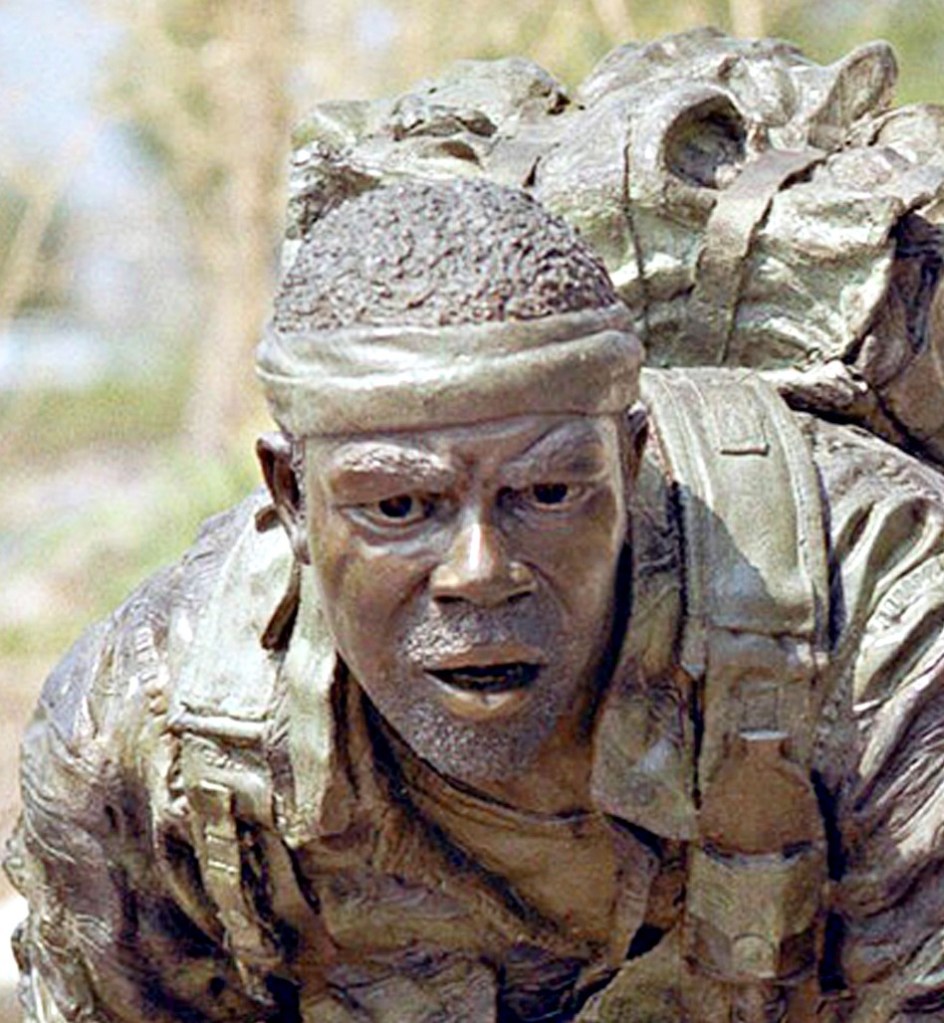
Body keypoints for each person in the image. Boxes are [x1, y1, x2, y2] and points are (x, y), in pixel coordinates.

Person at [7, 175, 944, 1023]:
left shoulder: (874, 620)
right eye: (399, 506)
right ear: (292, 498)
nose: (479, 569)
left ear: (629, 460)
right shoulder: (142, 742)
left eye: (546, 493)